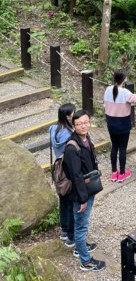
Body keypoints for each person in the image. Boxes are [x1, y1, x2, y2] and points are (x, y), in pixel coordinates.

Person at [63, 110, 105, 272]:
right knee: (81, 226)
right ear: (73, 126)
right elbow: (75, 176)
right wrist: (82, 200)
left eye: (86, 122)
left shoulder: (86, 139)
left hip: (87, 189)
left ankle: (79, 247)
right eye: (79, 123)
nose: (84, 126)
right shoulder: (71, 148)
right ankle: (86, 262)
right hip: (81, 194)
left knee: (80, 223)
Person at [49, 103, 76, 247]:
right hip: (68, 169)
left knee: (63, 201)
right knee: (71, 201)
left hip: (57, 169)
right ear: (67, 116)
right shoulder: (70, 133)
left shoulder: (53, 129)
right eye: (73, 113)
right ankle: (71, 236)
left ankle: (64, 230)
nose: (74, 114)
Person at [103, 70, 136, 182]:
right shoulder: (125, 92)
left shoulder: (108, 89)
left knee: (114, 147)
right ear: (124, 79)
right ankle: (122, 174)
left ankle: (114, 173)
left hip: (111, 123)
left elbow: (105, 104)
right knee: (122, 149)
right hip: (123, 124)